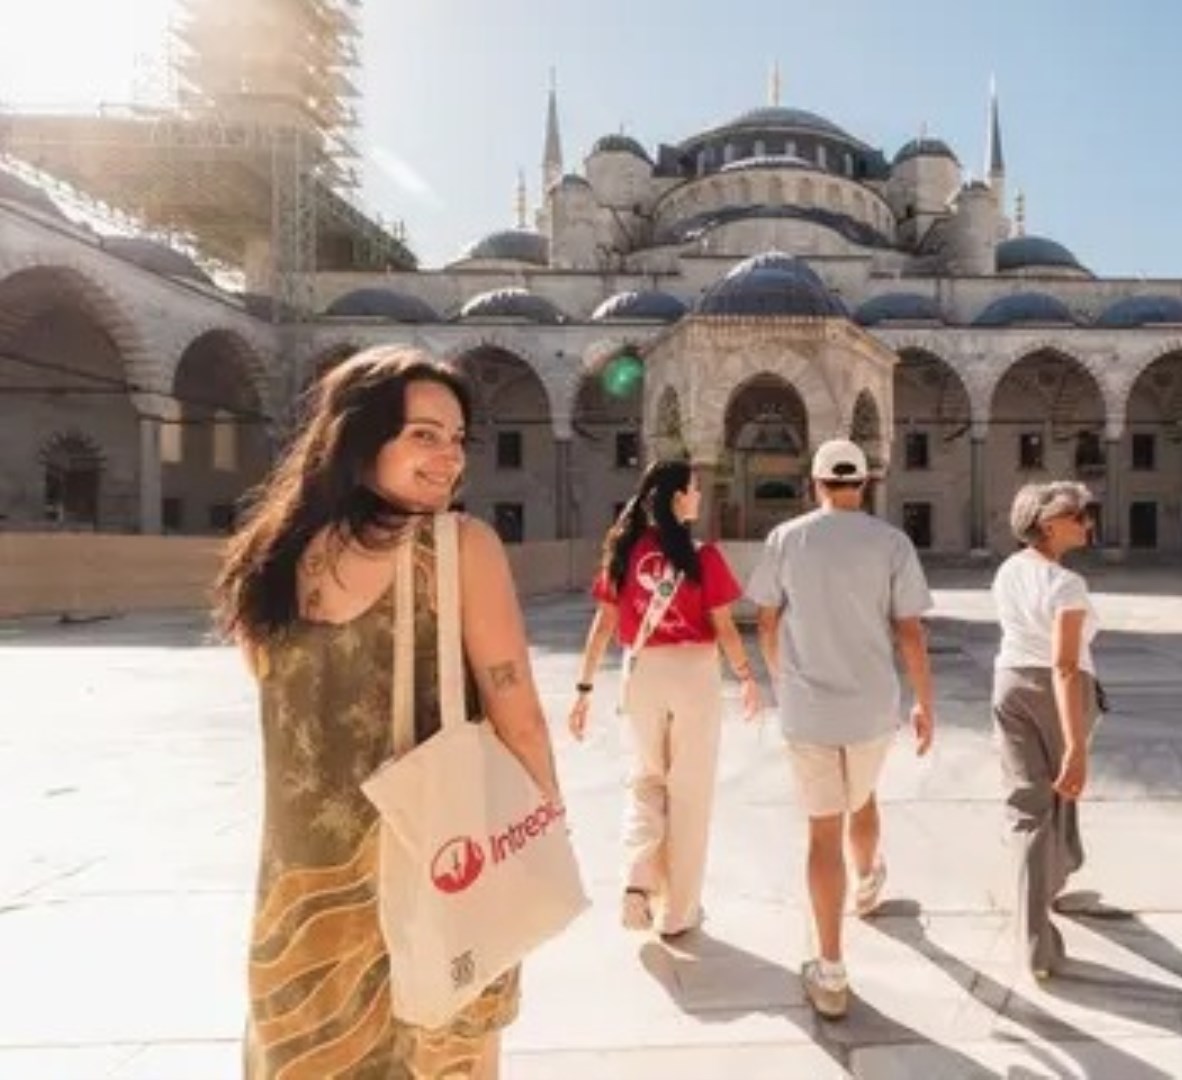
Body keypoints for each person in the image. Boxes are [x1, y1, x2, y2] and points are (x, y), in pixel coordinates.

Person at [215, 345, 562, 1078]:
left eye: (457, 438)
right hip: (439, 877)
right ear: (360, 439)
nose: (450, 458)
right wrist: (542, 827)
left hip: (302, 900)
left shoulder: (268, 559)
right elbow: (519, 716)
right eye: (423, 435)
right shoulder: (458, 547)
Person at [747, 438, 935, 1020]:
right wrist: (925, 702)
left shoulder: (787, 538)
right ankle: (868, 883)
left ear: (815, 483)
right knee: (865, 795)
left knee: (822, 832)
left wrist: (781, 678)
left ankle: (829, 970)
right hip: (872, 707)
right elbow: (910, 632)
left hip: (808, 709)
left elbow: (767, 621)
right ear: (865, 482)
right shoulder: (892, 542)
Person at [569, 459, 761, 939]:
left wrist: (584, 689)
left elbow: (603, 627)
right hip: (694, 674)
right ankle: (677, 912)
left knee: (645, 781)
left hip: (644, 673)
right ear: (677, 497)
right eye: (694, 489)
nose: (699, 496)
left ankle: (638, 880)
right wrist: (746, 675)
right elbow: (725, 628)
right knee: (689, 794)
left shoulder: (624, 553)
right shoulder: (702, 557)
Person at [990, 481, 1104, 981]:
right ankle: (1041, 925)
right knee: (1057, 797)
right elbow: (1064, 664)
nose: (1088, 523)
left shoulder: (1008, 571)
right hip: (1056, 694)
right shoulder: (1066, 584)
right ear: (1050, 524)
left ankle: (1042, 909)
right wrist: (1076, 746)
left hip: (1009, 684)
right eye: (1079, 516)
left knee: (1027, 807)